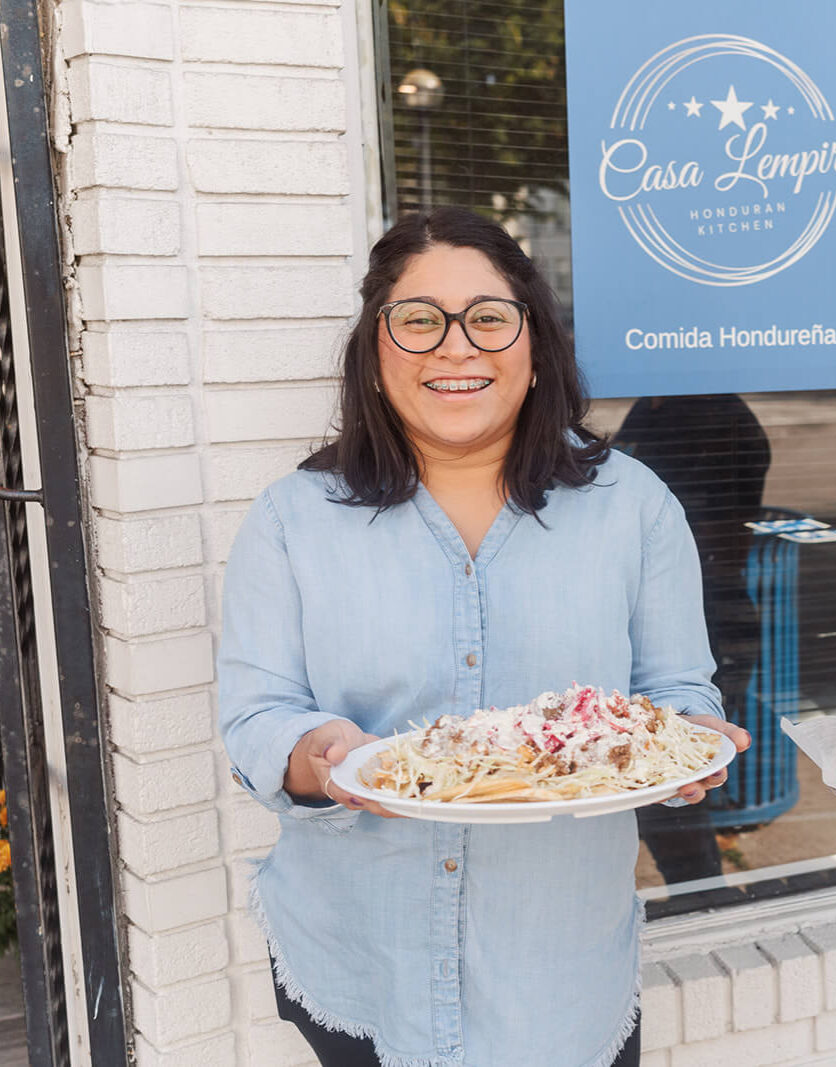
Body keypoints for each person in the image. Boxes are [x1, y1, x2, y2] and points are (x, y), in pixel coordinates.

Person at [217, 206, 749, 1067]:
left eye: (488, 318)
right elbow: (256, 711)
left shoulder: (634, 504)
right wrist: (316, 753)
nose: (455, 347)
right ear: (376, 350)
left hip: (558, 965)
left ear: (534, 344)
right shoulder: (293, 517)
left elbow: (677, 690)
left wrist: (686, 743)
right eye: (418, 320)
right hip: (361, 950)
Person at [614, 395, 771, 884]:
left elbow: (723, 525)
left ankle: (701, 893)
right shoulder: (653, 411)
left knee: (677, 782)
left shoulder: (719, 421)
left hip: (710, 610)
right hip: (686, 606)